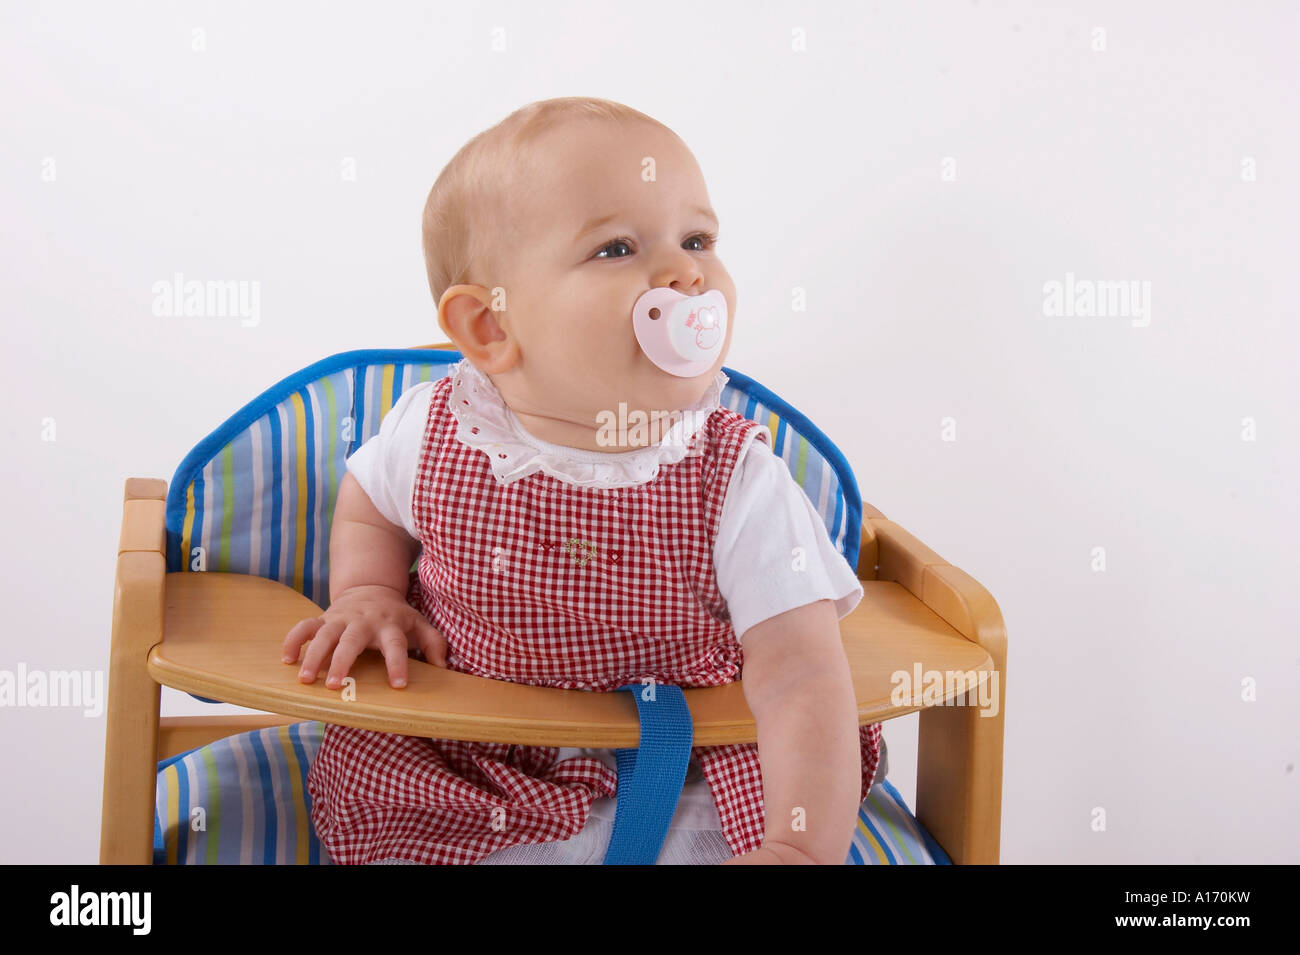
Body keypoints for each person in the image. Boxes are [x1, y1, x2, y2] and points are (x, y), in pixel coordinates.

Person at [282, 96, 883, 865]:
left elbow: (802, 675)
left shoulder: (737, 480)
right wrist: (368, 594)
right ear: (490, 327)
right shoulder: (436, 429)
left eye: (697, 238)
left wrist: (799, 844)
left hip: (679, 764)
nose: (685, 271)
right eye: (616, 248)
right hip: (470, 760)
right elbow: (371, 505)